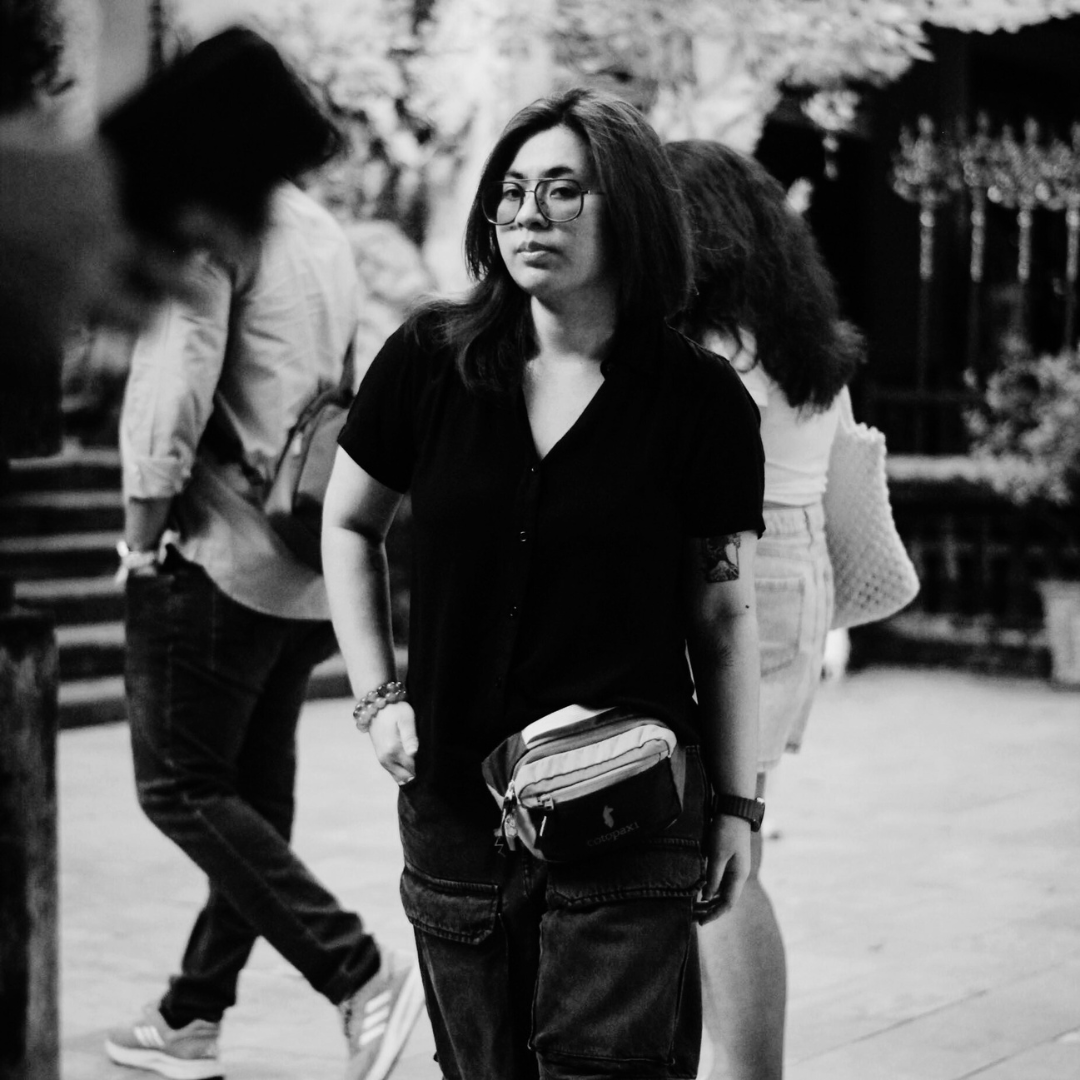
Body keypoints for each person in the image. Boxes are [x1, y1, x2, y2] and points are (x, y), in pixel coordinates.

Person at [322, 87, 766, 1080]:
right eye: (513, 191)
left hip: (628, 813)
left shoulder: (700, 403)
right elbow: (348, 525)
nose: (528, 214)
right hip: (455, 813)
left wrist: (738, 808)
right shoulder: (430, 361)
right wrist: (377, 697)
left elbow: (724, 615)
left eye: (564, 190)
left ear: (632, 212)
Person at [106, 179, 424, 1080]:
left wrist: (140, 538)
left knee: (178, 785)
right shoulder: (319, 225)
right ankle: (191, 1013)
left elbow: (171, 382)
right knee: (253, 799)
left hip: (220, 553)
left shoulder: (212, 219)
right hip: (301, 552)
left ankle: (359, 974)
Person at [664, 139, 864, 1080]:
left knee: (714, 854)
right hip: (797, 571)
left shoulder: (709, 348)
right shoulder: (802, 339)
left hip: (734, 573)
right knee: (729, 832)